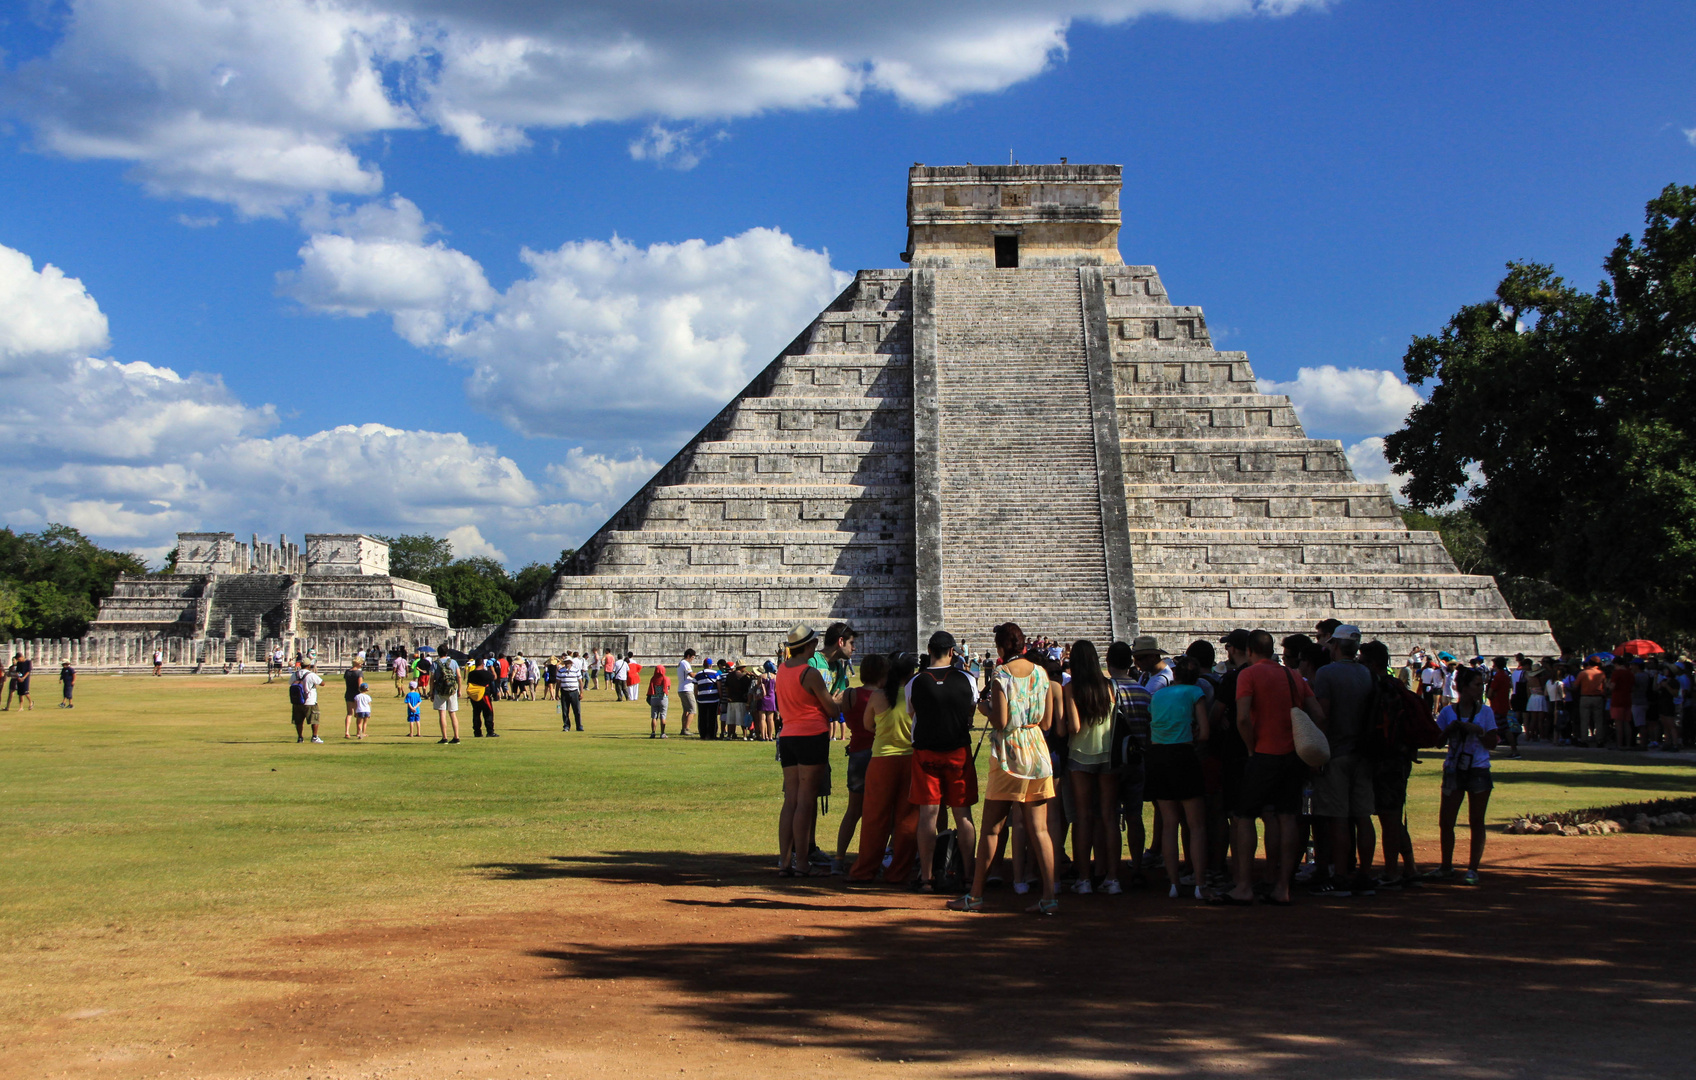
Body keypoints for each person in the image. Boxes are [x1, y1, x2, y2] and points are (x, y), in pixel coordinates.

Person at [950, 623, 1056, 914]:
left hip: (1010, 754)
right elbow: (1046, 723)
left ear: (1000, 647)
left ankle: (976, 895)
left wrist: (984, 710)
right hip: (1037, 750)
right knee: (1040, 829)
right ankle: (1049, 897)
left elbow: (1001, 720)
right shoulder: (1041, 673)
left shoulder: (1001, 675)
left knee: (992, 829)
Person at [1214, 629, 1324, 907]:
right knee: (1287, 817)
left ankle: (1244, 885)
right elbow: (1319, 715)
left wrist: (1251, 747)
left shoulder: (1248, 674)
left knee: (1245, 816)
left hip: (1263, 753)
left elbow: (1241, 719)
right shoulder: (1293, 675)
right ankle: (1282, 886)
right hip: (1292, 756)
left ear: (1250, 651)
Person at [905, 630, 980, 895]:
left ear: (929, 650)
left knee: (928, 815)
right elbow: (971, 708)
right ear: (952, 652)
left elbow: (912, 712)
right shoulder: (967, 679)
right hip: (957, 751)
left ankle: (926, 877)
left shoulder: (916, 681)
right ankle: (969, 876)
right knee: (963, 815)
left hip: (926, 753)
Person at [1309, 624, 1377, 897]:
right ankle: (1365, 873)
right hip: (1363, 752)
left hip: (1336, 752)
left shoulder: (1327, 673)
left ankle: (1340, 875)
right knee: (1362, 816)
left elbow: (1322, 715)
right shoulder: (1368, 674)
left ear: (1335, 646)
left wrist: (1317, 751)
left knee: (1337, 818)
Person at [775, 625, 848, 876]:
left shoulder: (781, 670)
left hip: (788, 736)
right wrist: (836, 701)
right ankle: (803, 861)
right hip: (811, 736)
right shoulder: (810, 673)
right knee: (806, 800)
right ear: (808, 647)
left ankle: (785, 861)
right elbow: (831, 710)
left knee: (790, 801)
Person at [848, 652, 919, 886]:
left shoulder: (878, 696)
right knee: (906, 819)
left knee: (874, 817)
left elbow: (868, 725)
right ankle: (898, 872)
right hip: (909, 760)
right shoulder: (914, 694)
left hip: (881, 760)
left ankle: (865, 869)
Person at [1358, 640, 1421, 889]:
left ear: (1373, 664)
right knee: (1393, 816)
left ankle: (1392, 871)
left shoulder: (1381, 688)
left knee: (1389, 817)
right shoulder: (1395, 686)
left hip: (1387, 759)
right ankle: (1410, 866)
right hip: (1398, 758)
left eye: (1363, 662)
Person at [1147, 655, 1211, 900]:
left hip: (1158, 755)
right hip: (1183, 753)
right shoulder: (1195, 693)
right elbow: (1205, 732)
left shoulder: (1159, 695)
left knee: (1169, 824)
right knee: (1196, 825)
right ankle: (1199, 883)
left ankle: (1173, 883)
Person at [1064, 639, 1122, 895]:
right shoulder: (1109, 686)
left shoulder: (1072, 688)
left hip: (1080, 754)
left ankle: (1084, 878)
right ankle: (1112, 876)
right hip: (1107, 754)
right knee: (1109, 816)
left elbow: (1075, 727)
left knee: (1083, 816)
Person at [1435, 666, 1498, 885]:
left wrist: (1477, 731)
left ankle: (1473, 868)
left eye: (1481, 685)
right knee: (1446, 821)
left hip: (1478, 768)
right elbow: (1436, 742)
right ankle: (1445, 866)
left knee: (1476, 821)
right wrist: (1450, 730)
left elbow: (1492, 743)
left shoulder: (1485, 712)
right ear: (1463, 687)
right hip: (1454, 768)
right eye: (1476, 685)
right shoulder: (1447, 713)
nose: (1480, 689)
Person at [834, 654, 885, 874]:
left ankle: (838, 857)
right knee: (880, 811)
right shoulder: (881, 697)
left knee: (853, 811)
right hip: (876, 754)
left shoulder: (850, 694)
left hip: (856, 753)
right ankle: (874, 858)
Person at [1576, 656, 1607, 747]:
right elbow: (1605, 686)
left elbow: (1576, 685)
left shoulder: (1583, 673)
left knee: (1584, 720)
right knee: (1598, 720)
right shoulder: (1601, 673)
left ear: (1589, 663)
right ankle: (1599, 740)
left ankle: (1584, 740)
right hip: (1598, 697)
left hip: (1585, 697)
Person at [430, 654, 462, 744]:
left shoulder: (435, 663)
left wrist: (431, 692)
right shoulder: (453, 662)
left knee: (442, 713)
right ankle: (456, 736)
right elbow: (459, 676)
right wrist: (459, 689)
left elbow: (432, 678)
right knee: (452, 713)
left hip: (439, 691)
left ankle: (444, 737)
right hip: (452, 690)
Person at [292, 660, 324, 743]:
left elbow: (291, 683)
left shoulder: (295, 674)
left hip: (297, 700)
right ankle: (314, 737)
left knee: (298, 721)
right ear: (309, 665)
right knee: (314, 719)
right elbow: (322, 683)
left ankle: (300, 737)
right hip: (310, 700)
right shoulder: (311, 675)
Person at [466, 658, 497, 737]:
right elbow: (494, 677)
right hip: (484, 695)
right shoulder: (485, 673)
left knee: (476, 713)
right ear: (483, 664)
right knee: (488, 713)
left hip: (474, 696)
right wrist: (492, 669)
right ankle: (490, 731)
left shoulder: (471, 674)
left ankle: (477, 732)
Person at [695, 659, 722, 740]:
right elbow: (719, 686)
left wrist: (697, 697)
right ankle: (712, 734)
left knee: (702, 717)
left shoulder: (698, 674)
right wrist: (720, 696)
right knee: (712, 717)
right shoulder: (715, 673)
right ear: (711, 665)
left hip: (702, 699)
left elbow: (695, 688)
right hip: (713, 698)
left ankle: (703, 734)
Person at [559, 651, 584, 731]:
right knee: (565, 711)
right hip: (564, 692)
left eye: (569, 662)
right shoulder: (561, 671)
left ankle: (579, 726)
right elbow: (558, 683)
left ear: (571, 663)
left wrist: (581, 692)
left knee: (577, 710)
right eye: (566, 662)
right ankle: (566, 726)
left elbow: (580, 681)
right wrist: (556, 693)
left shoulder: (576, 670)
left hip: (574, 692)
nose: (567, 664)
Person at [677, 649, 698, 738]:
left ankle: (683, 728)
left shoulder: (681, 663)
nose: (692, 659)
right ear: (688, 656)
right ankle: (686, 728)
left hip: (682, 688)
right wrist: (701, 674)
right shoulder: (685, 663)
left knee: (686, 710)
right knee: (692, 710)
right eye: (692, 657)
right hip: (687, 689)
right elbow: (691, 674)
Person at [342, 660, 365, 739]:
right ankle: (359, 732)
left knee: (349, 713)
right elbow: (360, 686)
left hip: (348, 693)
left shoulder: (347, 672)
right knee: (358, 714)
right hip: (357, 695)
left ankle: (347, 732)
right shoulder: (359, 673)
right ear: (358, 663)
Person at [648, 660, 671, 737]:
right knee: (663, 716)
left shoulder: (653, 679)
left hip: (654, 698)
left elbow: (650, 689)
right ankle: (662, 733)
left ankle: (653, 732)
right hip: (663, 699)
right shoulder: (666, 679)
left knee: (654, 717)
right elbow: (668, 688)